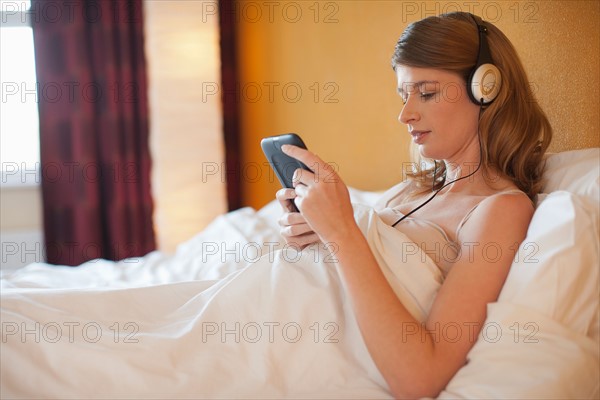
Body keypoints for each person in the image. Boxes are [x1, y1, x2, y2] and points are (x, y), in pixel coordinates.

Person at [275, 11, 552, 399]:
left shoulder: (500, 210)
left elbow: (421, 378)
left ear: (485, 89)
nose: (405, 115)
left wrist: (340, 232)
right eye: (404, 96)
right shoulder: (413, 191)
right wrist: (315, 231)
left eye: (427, 92)